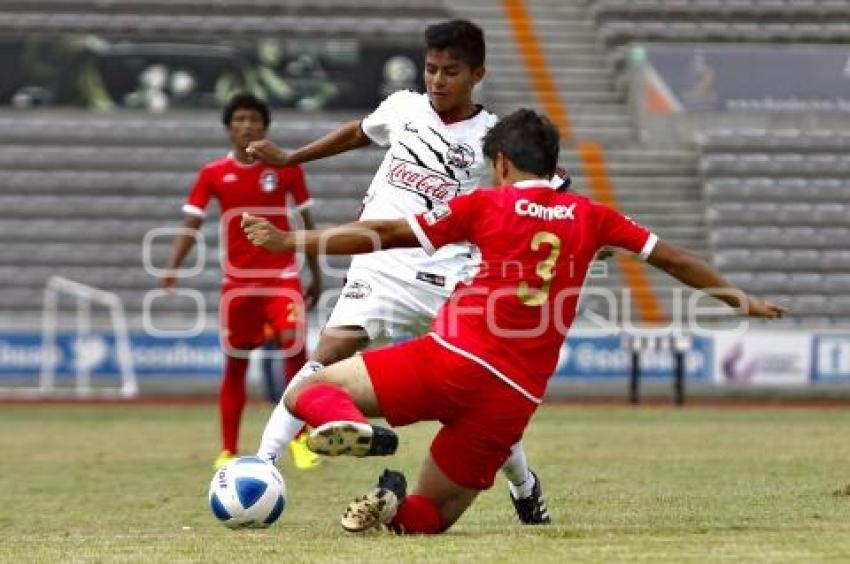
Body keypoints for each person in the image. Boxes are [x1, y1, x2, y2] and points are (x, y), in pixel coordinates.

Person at [241, 108, 786, 534]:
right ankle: (391, 511)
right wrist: (743, 302)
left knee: (307, 390)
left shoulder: (483, 206)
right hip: (514, 398)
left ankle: (351, 424)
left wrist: (295, 240)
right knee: (431, 514)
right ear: (553, 163)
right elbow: (675, 259)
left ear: (501, 163)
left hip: (453, 358)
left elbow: (385, 233)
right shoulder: (595, 217)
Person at [245, 18, 555, 522]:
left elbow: (548, 186)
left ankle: (524, 484)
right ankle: (263, 464)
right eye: (430, 69)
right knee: (327, 351)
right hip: (381, 264)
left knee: (481, 394)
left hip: (448, 276)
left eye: (450, 72)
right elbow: (357, 133)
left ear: (477, 73)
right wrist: (290, 159)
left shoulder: (492, 136)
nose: (436, 80)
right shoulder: (403, 108)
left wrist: (575, 225)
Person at [161, 92, 322, 470]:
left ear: (265, 127)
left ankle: (299, 441)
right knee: (235, 365)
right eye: (239, 120)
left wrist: (315, 273)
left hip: (282, 276)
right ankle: (229, 450)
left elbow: (307, 225)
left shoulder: (287, 169)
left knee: (294, 351)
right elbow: (191, 224)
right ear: (229, 128)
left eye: (253, 119)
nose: (246, 126)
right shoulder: (213, 173)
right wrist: (172, 267)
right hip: (238, 283)